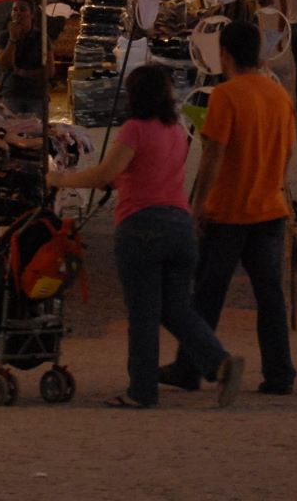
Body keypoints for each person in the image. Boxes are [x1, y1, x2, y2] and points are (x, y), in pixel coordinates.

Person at [48, 65, 246, 409]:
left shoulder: (134, 130)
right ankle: (219, 362)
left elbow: (105, 174)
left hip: (142, 227)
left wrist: (59, 180)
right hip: (180, 225)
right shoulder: (175, 129)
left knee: (143, 313)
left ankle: (142, 390)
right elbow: (146, 171)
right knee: (175, 308)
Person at [161, 20, 297, 396]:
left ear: (225, 53)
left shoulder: (226, 96)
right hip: (270, 207)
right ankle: (279, 372)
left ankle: (190, 366)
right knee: (270, 296)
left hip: (229, 211)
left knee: (206, 293)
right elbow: (285, 152)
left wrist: (198, 205)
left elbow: (213, 155)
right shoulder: (279, 96)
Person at [0, 0, 47, 116]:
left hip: (36, 94)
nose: (17, 13)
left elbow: (49, 72)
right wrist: (12, 40)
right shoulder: (4, 36)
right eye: (14, 10)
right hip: (11, 92)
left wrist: (22, 73)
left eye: (22, 10)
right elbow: (3, 65)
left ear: (32, 14)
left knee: (36, 130)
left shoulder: (41, 37)